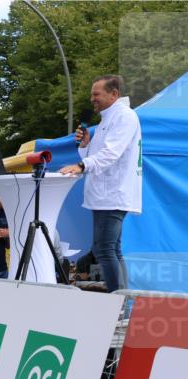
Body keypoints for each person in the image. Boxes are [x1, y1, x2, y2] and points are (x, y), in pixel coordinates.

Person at [61, 74, 142, 292]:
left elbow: (111, 154)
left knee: (105, 250)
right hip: (103, 196)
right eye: (91, 94)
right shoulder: (108, 119)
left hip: (113, 195)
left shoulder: (124, 117)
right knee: (110, 249)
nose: (91, 99)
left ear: (114, 94)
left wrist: (81, 166)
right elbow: (99, 153)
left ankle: (117, 302)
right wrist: (85, 144)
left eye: (96, 94)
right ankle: (121, 300)